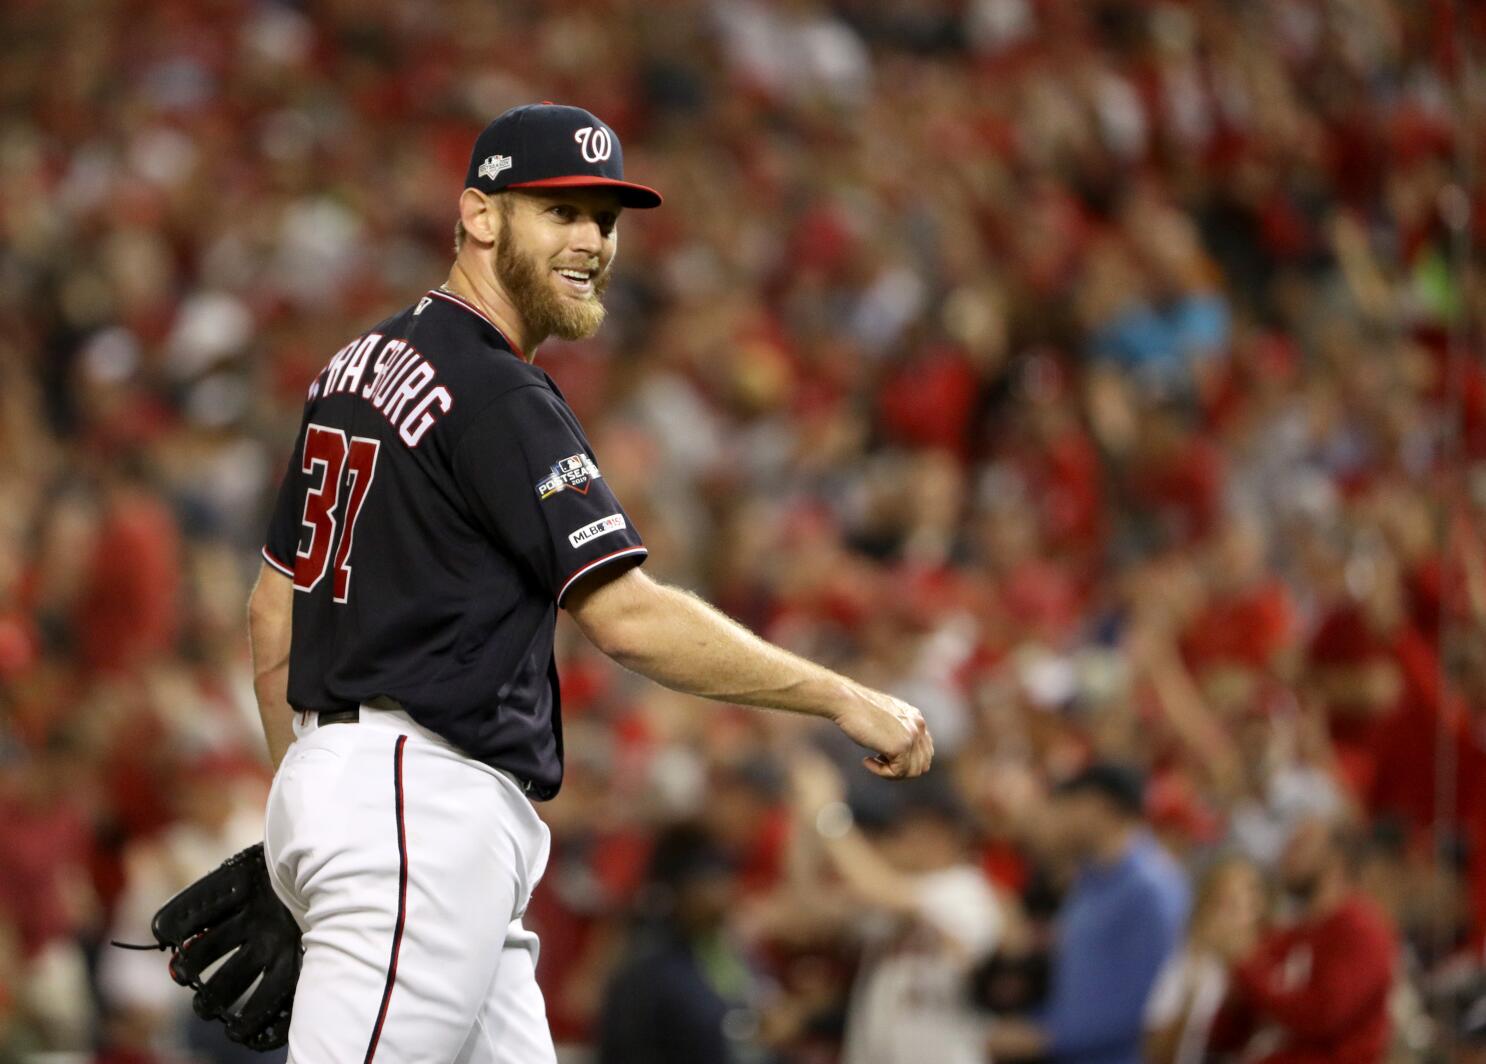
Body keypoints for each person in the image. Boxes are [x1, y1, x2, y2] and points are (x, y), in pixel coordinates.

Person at [247, 102, 933, 1062]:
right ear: (481, 216)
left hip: (367, 792)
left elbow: (275, 614)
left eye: (604, 221)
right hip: (418, 809)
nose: (592, 242)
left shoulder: (354, 368)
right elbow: (627, 618)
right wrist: (841, 696)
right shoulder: (497, 393)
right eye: (559, 211)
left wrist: (305, 808)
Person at [985, 762, 1189, 1064]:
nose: (1062, 817)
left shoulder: (1153, 889)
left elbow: (1148, 1004)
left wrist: (1047, 1036)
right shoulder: (1089, 879)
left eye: (1071, 805)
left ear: (1098, 807)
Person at [1208, 817, 1397, 1064]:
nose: (1286, 853)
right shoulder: (1293, 932)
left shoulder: (1362, 929)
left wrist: (1247, 968)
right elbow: (1228, 1033)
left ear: (1335, 859)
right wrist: (1236, 988)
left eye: (1300, 844)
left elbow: (1323, 1016)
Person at [1144, 855, 1265, 1064]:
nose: (1238, 916)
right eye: (1227, 904)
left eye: (1246, 904)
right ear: (1205, 908)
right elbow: (1155, 1051)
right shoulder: (1186, 963)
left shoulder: (1268, 966)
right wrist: (1190, 997)